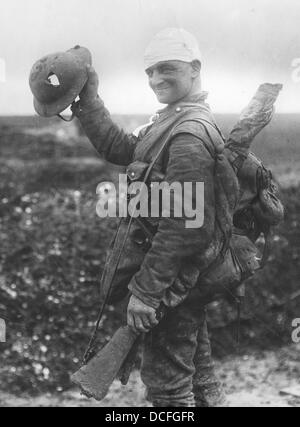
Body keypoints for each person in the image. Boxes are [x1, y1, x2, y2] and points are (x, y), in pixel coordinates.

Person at [72, 28, 227, 407]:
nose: (156, 80)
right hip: (180, 281)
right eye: (150, 72)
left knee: (169, 389)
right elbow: (122, 147)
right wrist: (89, 100)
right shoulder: (170, 122)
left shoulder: (188, 134)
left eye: (167, 69)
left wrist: (145, 293)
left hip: (169, 282)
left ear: (194, 68)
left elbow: (185, 227)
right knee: (198, 374)